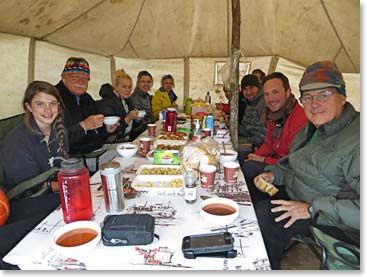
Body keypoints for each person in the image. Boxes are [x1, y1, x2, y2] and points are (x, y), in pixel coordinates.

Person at [254, 61, 359, 269]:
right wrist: (274, 175)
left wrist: (311, 209)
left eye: (324, 95)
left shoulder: (357, 139)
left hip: (334, 219)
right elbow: (297, 165)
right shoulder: (313, 128)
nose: (314, 104)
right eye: (308, 97)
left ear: (343, 96)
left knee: (266, 216)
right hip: (301, 195)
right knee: (252, 188)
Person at [0, 81, 68, 262]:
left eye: (52, 103)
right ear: (28, 107)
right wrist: (66, 186)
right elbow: (25, 189)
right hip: (25, 203)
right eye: (40, 104)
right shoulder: (17, 141)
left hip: (54, 193)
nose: (48, 109)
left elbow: (64, 165)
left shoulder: (58, 132)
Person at [242, 72, 307, 204]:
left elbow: (292, 163)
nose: (270, 98)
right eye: (266, 94)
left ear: (288, 92)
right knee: (245, 162)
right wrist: (255, 156)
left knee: (249, 169)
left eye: (275, 92)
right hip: (276, 163)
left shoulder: (299, 119)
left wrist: (263, 159)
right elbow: (269, 143)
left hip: (287, 173)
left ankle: (256, 205)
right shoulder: (276, 115)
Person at [55, 57, 119, 156]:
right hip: (76, 157)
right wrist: (83, 126)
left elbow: (97, 133)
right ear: (63, 76)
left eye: (85, 78)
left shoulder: (86, 98)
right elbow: (56, 140)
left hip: (96, 148)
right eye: (76, 76)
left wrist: (107, 130)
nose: (81, 81)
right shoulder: (53, 99)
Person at [97, 69, 143, 142]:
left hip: (126, 140)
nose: (127, 90)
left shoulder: (128, 101)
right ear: (116, 87)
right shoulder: (107, 103)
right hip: (110, 143)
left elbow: (132, 127)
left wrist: (137, 120)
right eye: (124, 86)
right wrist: (128, 118)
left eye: (130, 87)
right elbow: (109, 131)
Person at [238, 75, 267, 158]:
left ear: (258, 88)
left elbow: (264, 132)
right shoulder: (250, 103)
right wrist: (232, 128)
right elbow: (246, 128)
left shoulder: (263, 103)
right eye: (245, 89)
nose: (248, 92)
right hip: (250, 138)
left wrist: (252, 143)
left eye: (251, 88)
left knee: (236, 150)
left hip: (259, 144)